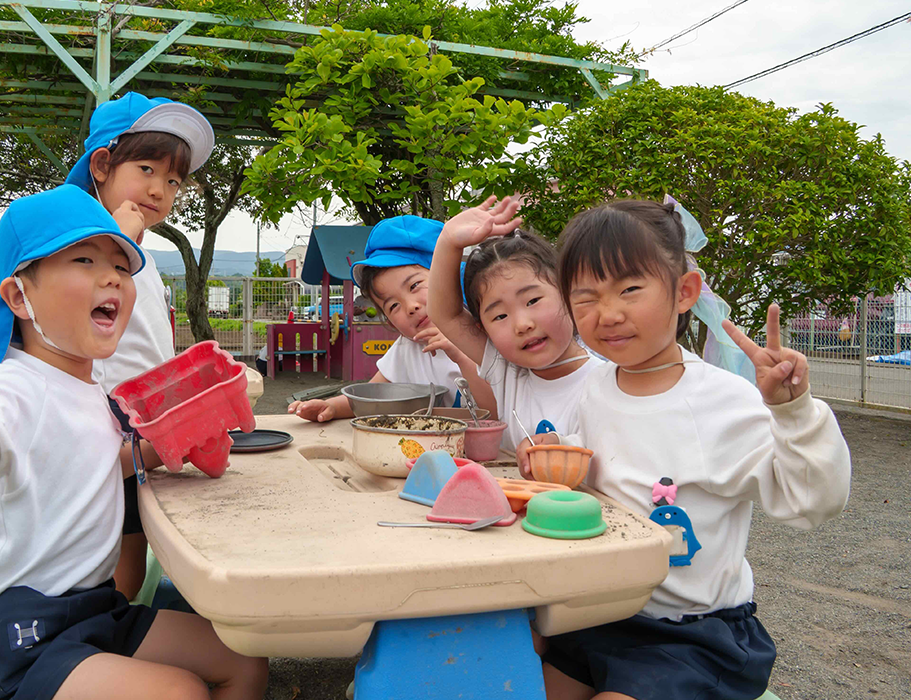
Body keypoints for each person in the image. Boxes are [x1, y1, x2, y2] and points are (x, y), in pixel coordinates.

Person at [0, 185, 268, 699]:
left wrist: (181, 438)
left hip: (92, 607)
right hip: (20, 626)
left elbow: (93, 462)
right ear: (19, 297)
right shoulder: (13, 387)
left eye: (122, 267)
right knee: (178, 691)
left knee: (244, 659)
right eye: (84, 260)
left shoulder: (89, 385)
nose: (112, 277)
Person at [526, 198, 852, 700]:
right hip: (607, 613)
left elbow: (812, 500)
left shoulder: (722, 399)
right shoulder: (596, 386)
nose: (608, 314)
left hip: (693, 636)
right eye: (586, 297)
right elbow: (606, 459)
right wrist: (560, 452)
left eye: (630, 289)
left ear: (684, 292)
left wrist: (794, 412)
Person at [65, 90, 215, 601]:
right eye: (147, 169)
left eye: (173, 181)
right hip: (98, 424)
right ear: (102, 165)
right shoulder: (79, 245)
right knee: (104, 558)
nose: (159, 189)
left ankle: (120, 618)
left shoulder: (142, 258)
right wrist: (117, 240)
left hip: (140, 418)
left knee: (135, 540)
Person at [428, 197, 602, 449]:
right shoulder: (506, 370)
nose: (522, 324)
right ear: (483, 329)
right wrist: (448, 241)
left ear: (567, 292)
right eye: (500, 316)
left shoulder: (610, 382)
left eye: (533, 301)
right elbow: (447, 315)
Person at [288, 215, 497, 423]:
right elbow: (374, 395)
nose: (410, 307)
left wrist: (461, 355)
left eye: (414, 285)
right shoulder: (409, 347)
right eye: (393, 306)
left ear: (450, 279)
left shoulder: (489, 333)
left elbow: (498, 414)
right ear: (389, 321)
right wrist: (332, 406)